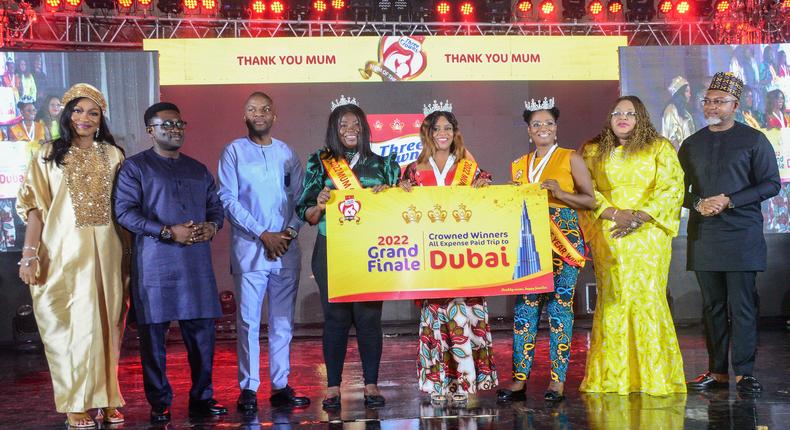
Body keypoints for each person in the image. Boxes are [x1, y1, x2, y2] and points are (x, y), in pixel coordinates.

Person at [16, 83, 127, 429]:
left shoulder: (113, 155)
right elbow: (35, 208)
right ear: (66, 115)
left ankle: (108, 398)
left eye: (93, 112)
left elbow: (123, 207)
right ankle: (75, 403)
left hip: (108, 254)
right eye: (78, 111)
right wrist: (29, 255)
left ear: (101, 119)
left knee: (108, 327)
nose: (85, 118)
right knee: (67, 328)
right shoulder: (48, 154)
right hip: (63, 254)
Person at [114, 102, 228, 423]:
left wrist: (212, 226)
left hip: (195, 266)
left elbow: (215, 208)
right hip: (155, 265)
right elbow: (125, 212)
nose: (174, 129)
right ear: (151, 130)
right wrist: (167, 231)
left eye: (179, 124)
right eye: (166, 125)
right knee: (153, 341)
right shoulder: (135, 168)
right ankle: (159, 401)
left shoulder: (197, 169)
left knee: (203, 336)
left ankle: (202, 398)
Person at [296, 97, 399, 410]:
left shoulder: (383, 164)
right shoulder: (320, 161)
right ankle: (332, 386)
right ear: (333, 129)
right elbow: (307, 213)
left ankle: (371, 383)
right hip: (332, 247)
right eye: (343, 124)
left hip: (370, 249)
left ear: (364, 128)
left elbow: (399, 209)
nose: (350, 129)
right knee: (336, 319)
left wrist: (389, 195)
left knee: (369, 319)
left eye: (356, 124)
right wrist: (321, 203)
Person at [578, 95, 686, 396]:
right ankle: (613, 378)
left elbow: (673, 187)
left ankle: (653, 378)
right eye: (617, 113)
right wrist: (616, 214)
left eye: (630, 113)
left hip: (649, 235)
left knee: (647, 298)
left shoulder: (660, 147)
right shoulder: (592, 150)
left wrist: (638, 217)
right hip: (610, 232)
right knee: (614, 298)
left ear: (641, 118)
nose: (622, 118)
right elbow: (585, 188)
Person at [680, 72, 780, 395]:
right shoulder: (691, 143)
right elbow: (675, 189)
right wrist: (697, 203)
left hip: (742, 236)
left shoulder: (754, 140)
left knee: (743, 306)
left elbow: (771, 184)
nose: (712, 106)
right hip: (704, 236)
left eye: (719, 101)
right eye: (708, 100)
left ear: (735, 105)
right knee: (713, 308)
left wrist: (730, 200)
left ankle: (745, 373)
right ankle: (717, 372)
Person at [497, 97, 595, 403]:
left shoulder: (570, 158)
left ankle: (557, 380)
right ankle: (519, 379)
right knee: (525, 310)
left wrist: (560, 193)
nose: (542, 128)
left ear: (556, 129)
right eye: (536, 124)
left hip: (563, 242)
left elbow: (590, 200)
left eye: (548, 123)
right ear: (528, 130)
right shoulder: (518, 165)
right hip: (530, 244)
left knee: (559, 309)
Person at [217, 92, 310, 411]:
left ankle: (281, 384)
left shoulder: (287, 153)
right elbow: (228, 200)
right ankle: (249, 388)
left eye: (265, 109)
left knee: (283, 323)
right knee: (248, 322)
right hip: (250, 252)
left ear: (275, 116)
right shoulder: (234, 152)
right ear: (244, 116)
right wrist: (263, 234)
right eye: (252, 110)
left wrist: (289, 232)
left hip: (286, 250)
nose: (259, 114)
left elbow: (303, 199)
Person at [398, 103, 496, 405]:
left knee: (464, 317)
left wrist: (484, 186)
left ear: (455, 133)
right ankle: (439, 385)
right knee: (436, 321)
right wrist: (400, 191)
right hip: (432, 259)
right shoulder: (414, 169)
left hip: (464, 256)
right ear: (427, 133)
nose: (442, 133)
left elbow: (487, 195)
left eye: (448, 128)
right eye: (436, 128)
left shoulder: (468, 165)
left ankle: (464, 385)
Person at [661, 76, 696, 151]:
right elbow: (672, 138)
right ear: (680, 93)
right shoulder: (671, 110)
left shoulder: (683, 111)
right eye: (687, 91)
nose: (689, 95)